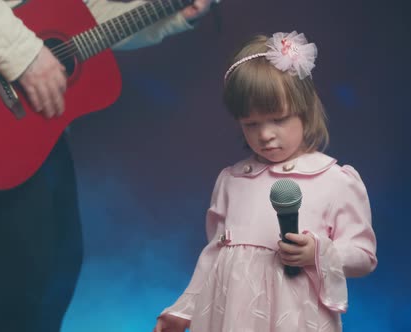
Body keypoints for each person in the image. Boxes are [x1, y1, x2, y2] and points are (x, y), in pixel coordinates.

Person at [0, 0, 214, 331]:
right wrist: (25, 55)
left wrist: (167, 16)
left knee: (55, 269)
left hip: (33, 124)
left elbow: (81, 16)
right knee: (6, 281)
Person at [153, 31, 378, 332]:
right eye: (251, 124)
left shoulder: (334, 181)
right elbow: (213, 260)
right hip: (230, 318)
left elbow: (363, 256)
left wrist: (317, 252)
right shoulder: (231, 181)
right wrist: (182, 311)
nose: (265, 135)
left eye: (278, 119)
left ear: (305, 110)